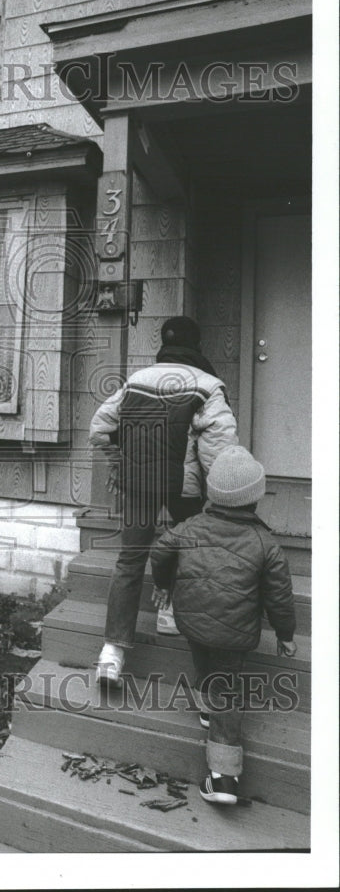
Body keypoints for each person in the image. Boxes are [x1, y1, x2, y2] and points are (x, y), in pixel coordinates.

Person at [89, 316, 238, 685]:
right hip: (182, 486)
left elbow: (100, 430)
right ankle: (168, 611)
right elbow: (220, 456)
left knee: (129, 559)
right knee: (183, 550)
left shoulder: (136, 381)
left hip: (137, 483)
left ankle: (111, 653)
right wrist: (220, 501)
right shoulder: (208, 386)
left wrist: (120, 462)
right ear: (196, 348)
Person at [149, 445, 297, 805]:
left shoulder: (189, 528)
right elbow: (280, 596)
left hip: (192, 621)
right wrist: (285, 634)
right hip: (234, 634)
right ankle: (225, 778)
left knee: (203, 660)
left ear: (213, 493)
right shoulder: (265, 542)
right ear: (255, 498)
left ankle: (205, 709)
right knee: (227, 692)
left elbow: (159, 551)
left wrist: (163, 584)